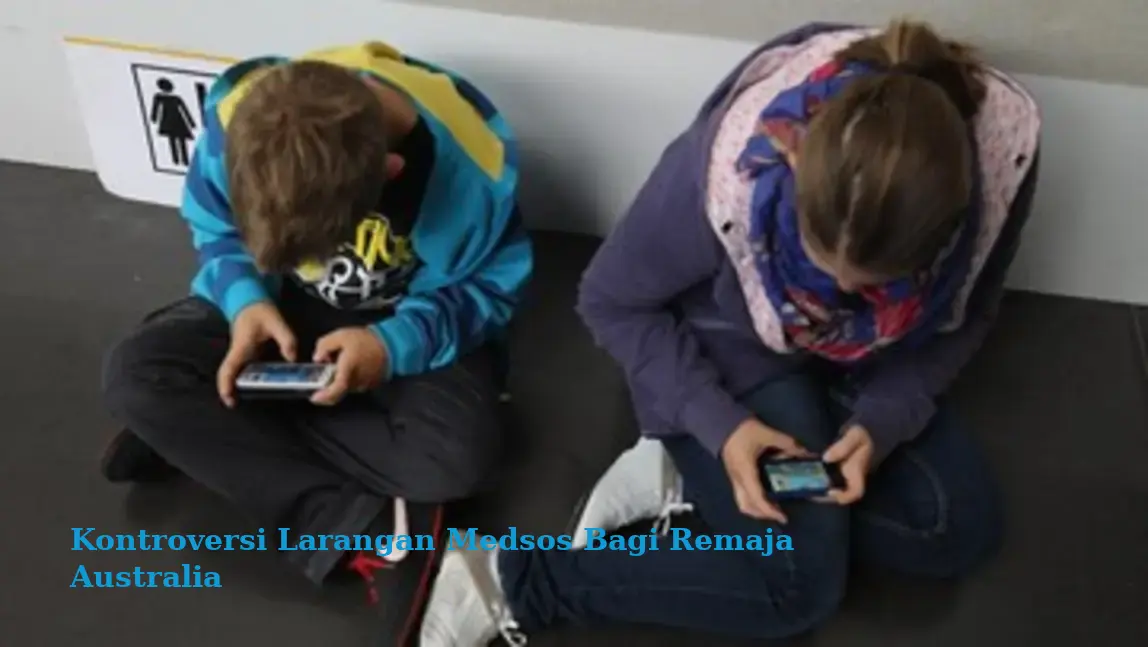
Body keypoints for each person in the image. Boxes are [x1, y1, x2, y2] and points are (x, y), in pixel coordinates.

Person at [418, 20, 1041, 645]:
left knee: (956, 531)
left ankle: (697, 483)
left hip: (863, 361)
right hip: (728, 347)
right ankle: (512, 578)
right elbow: (609, 301)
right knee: (797, 591)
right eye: (819, 263)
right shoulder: (725, 172)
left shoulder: (996, 168)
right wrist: (721, 425)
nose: (842, 296)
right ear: (792, 157)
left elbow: (966, 317)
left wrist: (881, 423)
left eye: (877, 287)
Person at [101, 41, 531, 644]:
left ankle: (214, 431)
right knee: (133, 376)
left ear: (389, 172)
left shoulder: (467, 171)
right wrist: (247, 302)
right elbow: (217, 230)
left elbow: (485, 290)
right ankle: (356, 519)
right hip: (279, 309)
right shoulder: (239, 123)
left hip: (411, 320)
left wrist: (390, 347)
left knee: (457, 461)